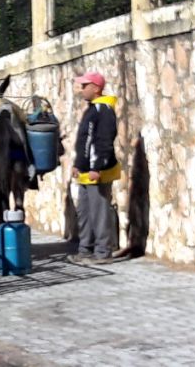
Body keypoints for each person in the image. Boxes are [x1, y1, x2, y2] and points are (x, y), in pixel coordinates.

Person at [68, 70, 120, 266]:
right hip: (85, 172)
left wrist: (96, 167)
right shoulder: (91, 110)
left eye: (85, 86)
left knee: (99, 213)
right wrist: (78, 164)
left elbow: (103, 141)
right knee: (84, 212)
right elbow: (85, 141)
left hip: (98, 172)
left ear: (96, 88)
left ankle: (103, 252)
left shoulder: (103, 110)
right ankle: (85, 250)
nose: (81, 89)